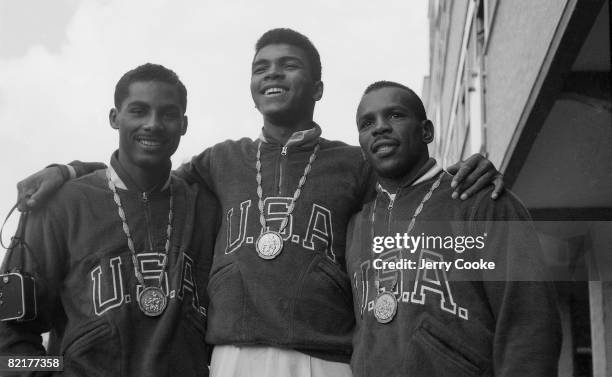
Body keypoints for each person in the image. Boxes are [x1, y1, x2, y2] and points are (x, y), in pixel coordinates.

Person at [14, 29, 504, 377]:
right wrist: (69, 171)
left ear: (317, 89)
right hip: (231, 356)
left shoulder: (353, 163)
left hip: (325, 354)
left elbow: (411, 183)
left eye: (288, 65)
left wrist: (470, 171)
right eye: (260, 67)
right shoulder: (219, 162)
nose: (272, 74)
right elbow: (139, 171)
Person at [0, 63, 218, 376]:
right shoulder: (60, 205)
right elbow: (8, 346)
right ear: (115, 118)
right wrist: (57, 371)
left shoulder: (204, 208)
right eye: (139, 111)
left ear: (183, 124)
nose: (153, 124)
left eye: (168, 114)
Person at [346, 81, 561, 376]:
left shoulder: (481, 201)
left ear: (427, 131)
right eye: (367, 122)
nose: (380, 127)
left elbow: (529, 321)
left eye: (395, 115)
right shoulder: (355, 226)